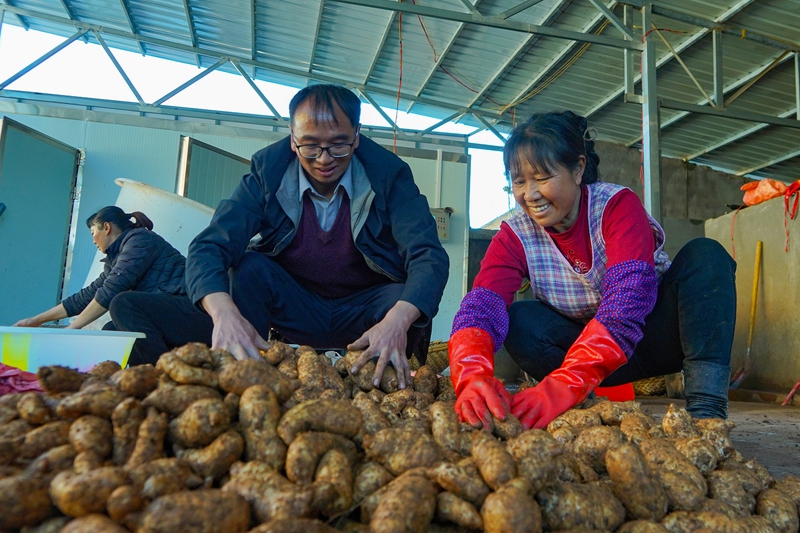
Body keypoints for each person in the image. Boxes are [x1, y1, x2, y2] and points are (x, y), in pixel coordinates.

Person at [448, 110, 736, 431]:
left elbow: (627, 303)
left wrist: (566, 383)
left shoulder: (616, 206)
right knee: (521, 320)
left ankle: (706, 408)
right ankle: (582, 398)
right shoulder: (516, 234)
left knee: (706, 256)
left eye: (542, 178)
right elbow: (481, 306)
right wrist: (471, 374)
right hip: (586, 358)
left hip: (653, 340)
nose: (530, 194)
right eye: (519, 181)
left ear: (578, 169)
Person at [186, 84, 449, 388]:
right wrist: (224, 315)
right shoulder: (268, 172)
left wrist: (399, 319)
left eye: (339, 145)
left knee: (398, 296)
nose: (324, 160)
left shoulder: (389, 176)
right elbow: (209, 247)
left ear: (357, 135)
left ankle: (386, 382)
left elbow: (428, 255)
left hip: (364, 310)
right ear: (292, 138)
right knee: (249, 269)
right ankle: (246, 373)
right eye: (310, 146)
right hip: (295, 305)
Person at [14, 206, 212, 366]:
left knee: (123, 303)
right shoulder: (116, 259)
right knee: (113, 331)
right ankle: (139, 379)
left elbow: (113, 290)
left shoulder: (140, 240)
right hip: (175, 319)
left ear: (106, 227)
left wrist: (72, 329)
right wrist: (35, 320)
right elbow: (87, 296)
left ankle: (163, 372)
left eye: (93, 232)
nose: (93, 241)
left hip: (196, 314)